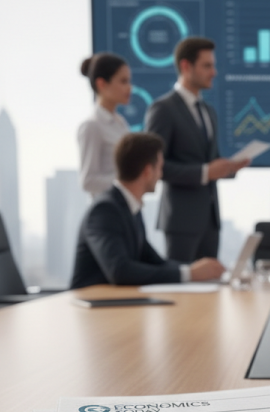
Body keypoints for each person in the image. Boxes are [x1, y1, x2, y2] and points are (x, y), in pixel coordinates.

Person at [70, 132, 225, 289]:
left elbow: (155, 262)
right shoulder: (104, 210)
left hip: (116, 303)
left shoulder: (131, 209)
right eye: (160, 168)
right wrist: (189, 274)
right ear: (147, 171)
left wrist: (197, 269)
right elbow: (120, 271)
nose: (161, 175)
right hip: (92, 306)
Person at [144, 37, 249, 262]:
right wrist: (204, 173)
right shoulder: (163, 109)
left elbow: (211, 161)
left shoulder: (209, 112)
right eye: (207, 66)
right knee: (181, 290)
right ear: (185, 66)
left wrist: (230, 168)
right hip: (181, 221)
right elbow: (154, 166)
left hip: (210, 221)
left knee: (209, 290)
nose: (214, 72)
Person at [78, 53, 132, 197]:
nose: (129, 87)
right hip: (108, 210)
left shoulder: (121, 123)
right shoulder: (92, 126)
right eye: (123, 81)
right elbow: (88, 181)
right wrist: (127, 180)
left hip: (127, 207)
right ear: (102, 84)